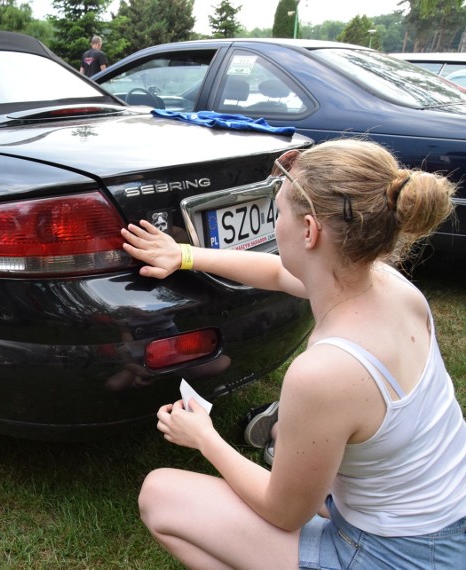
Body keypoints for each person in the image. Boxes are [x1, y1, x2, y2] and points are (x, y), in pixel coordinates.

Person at [120, 139, 466, 569]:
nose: (274, 221)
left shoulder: (326, 372)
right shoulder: (391, 287)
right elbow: (279, 272)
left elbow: (284, 513)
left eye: (277, 211)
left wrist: (203, 436)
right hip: (448, 524)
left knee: (160, 494)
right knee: (287, 437)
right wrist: (185, 255)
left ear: (309, 231)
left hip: (397, 555)